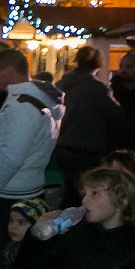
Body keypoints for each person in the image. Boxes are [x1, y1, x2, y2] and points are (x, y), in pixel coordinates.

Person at [0, 48, 64, 239]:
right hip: (28, 186)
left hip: (12, 192)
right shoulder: (35, 101)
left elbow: (12, 156)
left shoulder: (23, 106)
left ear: (9, 71)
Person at [55, 46, 124, 205]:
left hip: (62, 146)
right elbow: (115, 115)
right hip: (87, 149)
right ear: (98, 65)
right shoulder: (97, 88)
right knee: (84, 195)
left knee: (65, 194)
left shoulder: (62, 84)